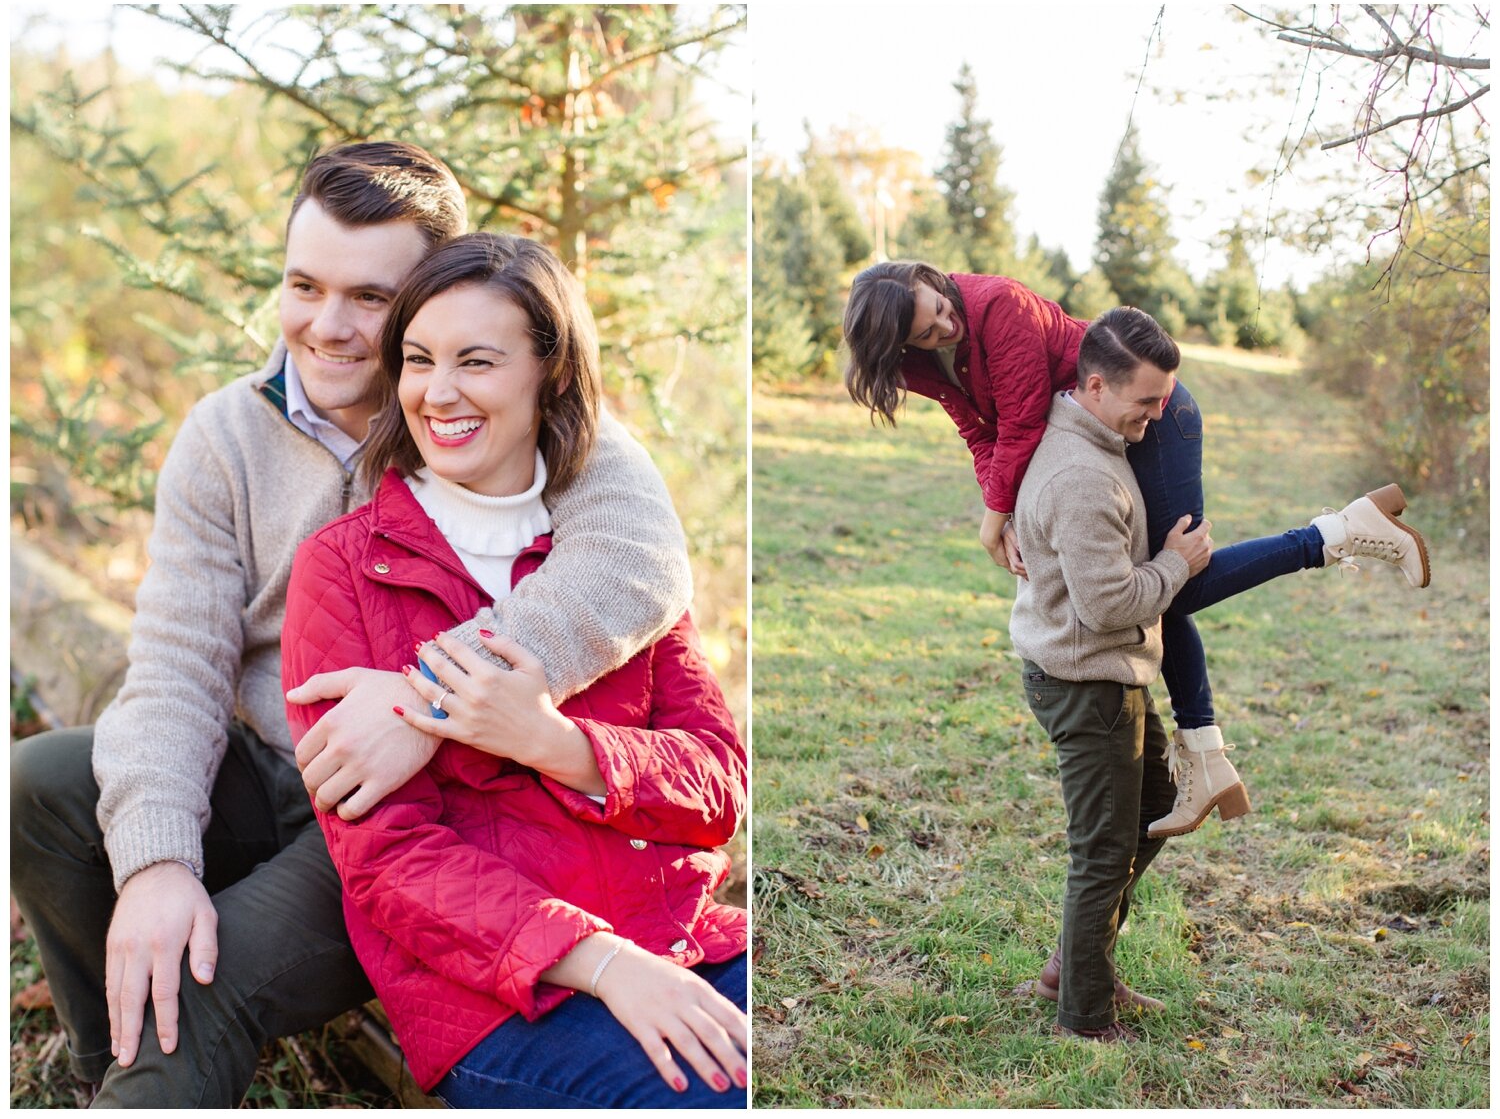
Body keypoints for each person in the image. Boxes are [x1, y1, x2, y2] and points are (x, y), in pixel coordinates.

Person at [10, 142, 696, 1108]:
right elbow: (176, 664)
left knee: (208, 981)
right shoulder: (226, 436)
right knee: (40, 783)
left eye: (370, 300)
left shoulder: (494, 408)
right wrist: (159, 865)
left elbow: (640, 562)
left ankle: (156, 1071)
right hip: (273, 768)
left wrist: (423, 702)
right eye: (303, 285)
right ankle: (111, 1072)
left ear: (436, 291)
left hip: (402, 816)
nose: (325, 328)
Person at [281, 231, 748, 1107]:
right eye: (418, 360)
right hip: (505, 995)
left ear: (552, 374)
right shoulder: (343, 568)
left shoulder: (614, 554)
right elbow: (388, 862)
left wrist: (560, 743)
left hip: (688, 938)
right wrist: (608, 966)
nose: (439, 392)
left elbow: (721, 785)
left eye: (478, 360)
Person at [841, 262, 1431, 837]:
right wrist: (1006, 514)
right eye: (926, 332)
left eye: (942, 308)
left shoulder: (999, 307)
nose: (945, 328)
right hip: (1097, 426)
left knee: (1181, 578)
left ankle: (1339, 532)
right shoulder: (914, 363)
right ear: (899, 343)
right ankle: (1204, 755)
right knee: (1161, 585)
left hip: (1149, 410)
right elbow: (980, 431)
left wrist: (993, 522)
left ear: (937, 281)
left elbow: (1019, 425)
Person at [1008, 307, 1202, 1041]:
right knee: (1102, 850)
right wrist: (1175, 566)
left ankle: (1079, 962)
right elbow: (1110, 603)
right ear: (1094, 385)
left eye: (1164, 399)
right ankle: (1084, 1014)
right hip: (1088, 683)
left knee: (1155, 802)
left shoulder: (1092, 436)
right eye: (1147, 401)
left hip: (1103, 673)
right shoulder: (1083, 478)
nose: (1158, 414)